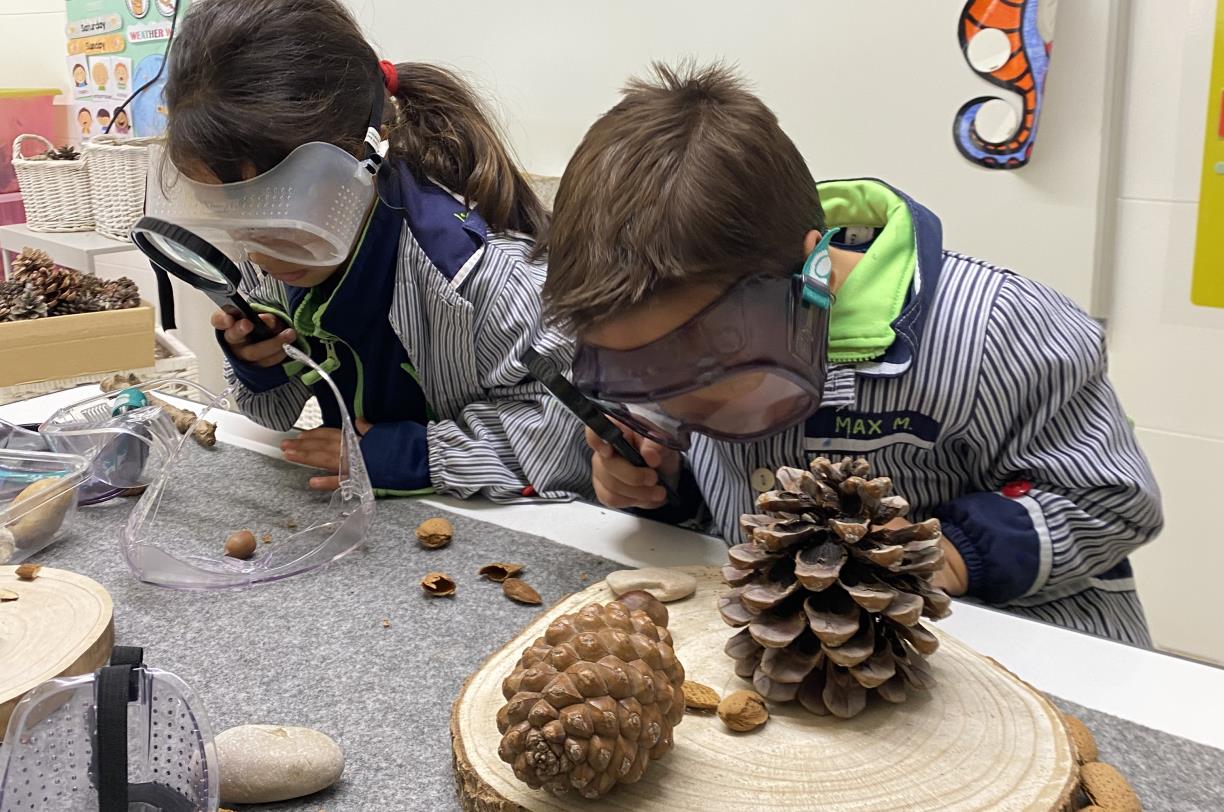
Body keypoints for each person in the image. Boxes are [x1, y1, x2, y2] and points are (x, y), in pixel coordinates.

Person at [541, 63, 1163, 645]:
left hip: (1022, 647)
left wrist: (953, 553)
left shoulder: (1003, 330)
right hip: (791, 650)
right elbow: (713, 497)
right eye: (650, 380)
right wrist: (661, 484)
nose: (681, 408)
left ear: (813, 271)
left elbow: (1109, 499)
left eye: (712, 378)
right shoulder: (675, 339)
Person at [156, 0, 590, 501]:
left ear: (367, 150)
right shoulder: (275, 256)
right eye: (232, 217)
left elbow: (570, 446)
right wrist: (261, 364)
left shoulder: (484, 277)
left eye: (280, 210)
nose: (258, 253)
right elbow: (271, 414)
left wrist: (407, 454)